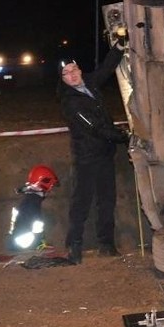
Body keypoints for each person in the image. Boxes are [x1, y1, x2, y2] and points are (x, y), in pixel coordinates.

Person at [57, 43, 129, 264]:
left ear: (79, 69)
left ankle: (106, 244)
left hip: (105, 154)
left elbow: (106, 69)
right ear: (62, 79)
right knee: (82, 202)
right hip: (87, 158)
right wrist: (124, 136)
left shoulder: (88, 82)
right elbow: (96, 128)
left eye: (74, 70)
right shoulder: (70, 102)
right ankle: (74, 247)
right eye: (66, 73)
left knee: (107, 200)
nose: (72, 75)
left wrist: (118, 47)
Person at [6, 165, 60, 252]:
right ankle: (38, 245)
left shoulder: (29, 198)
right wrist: (38, 243)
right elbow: (36, 224)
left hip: (15, 242)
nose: (51, 188)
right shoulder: (32, 201)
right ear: (44, 182)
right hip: (23, 244)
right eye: (51, 184)